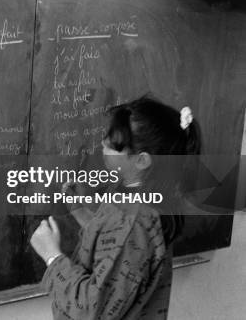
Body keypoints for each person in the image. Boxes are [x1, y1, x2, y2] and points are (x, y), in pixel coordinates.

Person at [30, 96, 200, 319]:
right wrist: (81, 212)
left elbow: (93, 310)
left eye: (113, 146)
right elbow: (113, 247)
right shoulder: (134, 197)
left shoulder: (135, 221)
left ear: (141, 161)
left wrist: (52, 256)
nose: (103, 145)